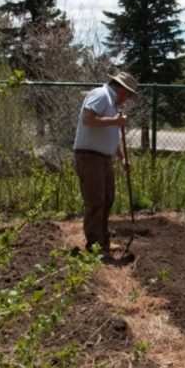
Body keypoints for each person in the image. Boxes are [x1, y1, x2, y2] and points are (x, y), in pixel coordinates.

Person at [73, 71, 138, 262]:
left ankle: (103, 242)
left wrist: (122, 158)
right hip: (89, 157)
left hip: (104, 159)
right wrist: (116, 121)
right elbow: (88, 120)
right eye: (128, 95)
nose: (127, 100)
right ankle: (94, 247)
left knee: (108, 199)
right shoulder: (100, 95)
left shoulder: (113, 105)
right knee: (96, 201)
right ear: (121, 89)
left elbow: (112, 138)